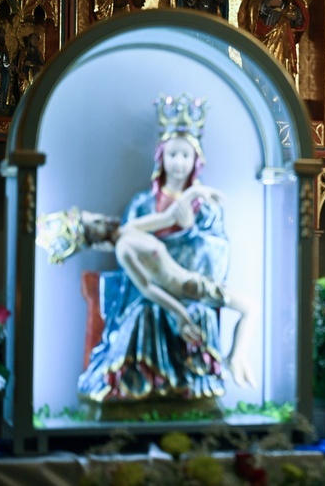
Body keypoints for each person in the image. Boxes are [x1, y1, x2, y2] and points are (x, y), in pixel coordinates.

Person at [39, 95, 251, 412]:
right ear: (160, 158)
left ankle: (207, 377)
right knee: (145, 312)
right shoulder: (140, 207)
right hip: (153, 290)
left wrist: (191, 224)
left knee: (208, 311)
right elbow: (141, 263)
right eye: (173, 154)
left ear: (197, 160)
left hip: (192, 285)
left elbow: (217, 250)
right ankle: (142, 386)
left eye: (185, 155)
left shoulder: (204, 208)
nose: (179, 162)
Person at [237, 0, 309, 80]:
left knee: (282, 75)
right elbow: (248, 14)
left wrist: (295, 15)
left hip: (284, 40)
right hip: (262, 39)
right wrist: (267, 5)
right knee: (262, 74)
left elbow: (302, 14)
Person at [15, 33, 45, 98]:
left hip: (36, 74)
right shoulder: (24, 52)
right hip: (26, 74)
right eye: (33, 39)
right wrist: (25, 64)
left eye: (36, 39)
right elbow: (20, 64)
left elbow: (42, 64)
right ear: (29, 41)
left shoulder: (38, 53)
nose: (35, 41)